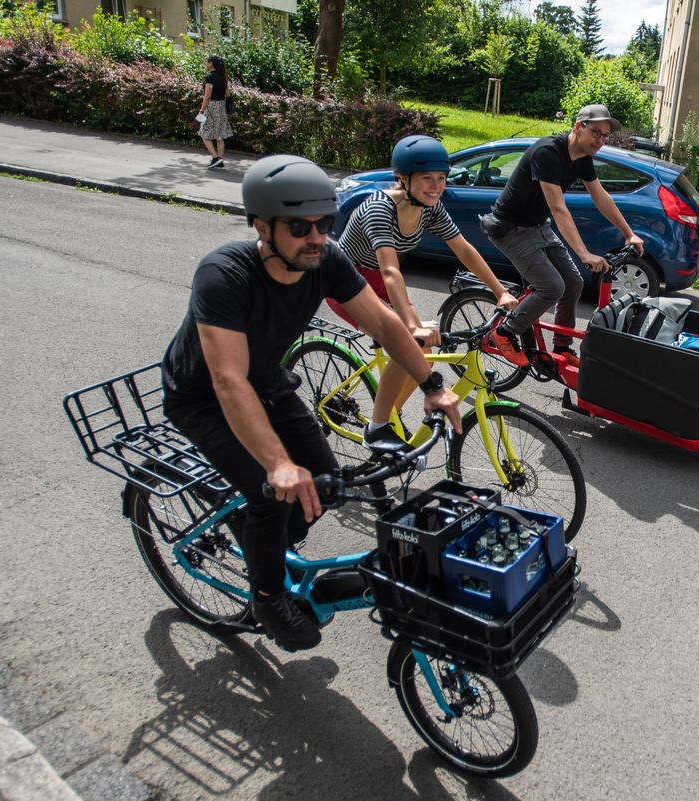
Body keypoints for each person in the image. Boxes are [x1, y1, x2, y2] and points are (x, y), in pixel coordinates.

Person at [161, 155, 462, 652]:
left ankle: (261, 542)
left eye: (324, 223)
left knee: (326, 487)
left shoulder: (327, 260)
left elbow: (385, 324)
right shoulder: (224, 274)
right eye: (300, 226)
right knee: (269, 493)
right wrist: (277, 464)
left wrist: (433, 383)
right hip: (204, 399)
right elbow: (228, 380)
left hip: (270, 385)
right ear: (261, 226)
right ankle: (266, 595)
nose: (316, 237)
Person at [337, 134, 518, 451]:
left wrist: (499, 291)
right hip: (346, 282)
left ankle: (388, 415)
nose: (436, 186)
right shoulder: (380, 210)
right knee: (406, 342)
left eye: (441, 178)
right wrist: (409, 325)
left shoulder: (429, 208)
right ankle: (376, 429)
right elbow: (391, 271)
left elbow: (464, 250)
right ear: (402, 179)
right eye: (426, 178)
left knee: (424, 354)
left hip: (380, 281)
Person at [480, 104, 644, 368]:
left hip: (537, 226)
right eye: (596, 133)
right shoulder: (548, 152)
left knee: (574, 283)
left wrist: (629, 234)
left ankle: (561, 348)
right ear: (578, 127)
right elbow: (558, 208)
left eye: (604, 136)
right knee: (552, 287)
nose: (600, 141)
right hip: (510, 228)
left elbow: (600, 196)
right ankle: (504, 333)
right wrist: (584, 254)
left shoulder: (582, 158)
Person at [198, 55, 232, 170]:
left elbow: (207, 96)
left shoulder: (210, 78)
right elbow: (227, 94)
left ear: (211, 63)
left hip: (212, 107)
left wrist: (201, 111)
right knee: (219, 135)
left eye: (206, 62)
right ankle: (220, 161)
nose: (205, 64)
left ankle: (215, 157)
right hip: (221, 107)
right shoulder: (223, 77)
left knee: (204, 133)